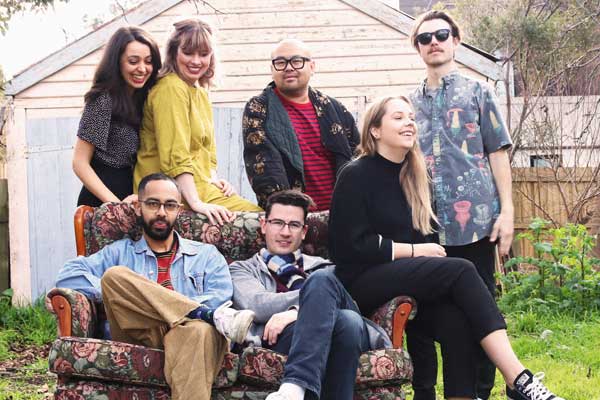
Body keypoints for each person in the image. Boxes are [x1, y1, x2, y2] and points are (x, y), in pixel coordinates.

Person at [329, 96, 564, 400]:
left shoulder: (416, 176)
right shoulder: (355, 175)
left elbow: (426, 237)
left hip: (405, 277)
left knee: (457, 319)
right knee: (462, 269)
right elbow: (348, 247)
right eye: (398, 117)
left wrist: (423, 257)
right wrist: (415, 252)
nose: (409, 122)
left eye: (411, 117)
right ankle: (518, 379)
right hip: (360, 283)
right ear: (374, 130)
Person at [55, 173, 255, 400]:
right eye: (153, 204)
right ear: (138, 207)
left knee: (200, 330)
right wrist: (114, 295)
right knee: (114, 277)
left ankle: (197, 317)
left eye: (169, 205)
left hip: (190, 333)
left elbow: (220, 295)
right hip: (140, 333)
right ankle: (201, 313)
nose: (161, 212)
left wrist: (175, 317)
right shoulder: (120, 252)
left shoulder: (206, 255)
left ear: (178, 210)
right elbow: (68, 275)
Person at [408, 10, 514, 399]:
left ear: (455, 41)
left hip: (477, 222)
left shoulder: (478, 92)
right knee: (421, 311)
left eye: (441, 35)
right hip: (425, 225)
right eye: (425, 38)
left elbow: (498, 152)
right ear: (418, 48)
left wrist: (507, 212)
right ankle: (424, 390)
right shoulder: (407, 103)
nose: (433, 42)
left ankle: (480, 391)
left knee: (480, 309)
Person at [230, 190, 389, 400]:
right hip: (279, 337)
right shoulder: (242, 269)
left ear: (304, 231)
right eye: (278, 223)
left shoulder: (327, 269)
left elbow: (348, 300)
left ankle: (294, 386)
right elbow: (257, 305)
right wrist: (313, 301)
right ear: (264, 225)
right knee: (346, 321)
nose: (285, 232)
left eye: (294, 225)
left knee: (325, 285)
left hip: (334, 325)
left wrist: (296, 312)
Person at [134, 19, 261, 225]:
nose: (196, 61)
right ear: (174, 52)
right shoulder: (170, 88)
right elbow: (176, 156)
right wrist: (196, 203)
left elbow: (206, 153)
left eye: (203, 54)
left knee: (269, 221)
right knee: (258, 222)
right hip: (166, 190)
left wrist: (214, 180)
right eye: (188, 52)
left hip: (199, 186)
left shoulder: (200, 93)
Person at [242, 39, 359, 211]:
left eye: (297, 61)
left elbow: (358, 157)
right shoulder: (259, 108)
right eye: (280, 62)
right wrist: (289, 212)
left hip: (341, 214)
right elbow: (264, 168)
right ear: (272, 69)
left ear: (312, 66)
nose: (289, 68)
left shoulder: (334, 109)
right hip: (292, 218)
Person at [73, 26, 161, 206]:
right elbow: (79, 163)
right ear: (117, 62)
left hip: (132, 192)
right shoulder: (103, 100)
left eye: (148, 61)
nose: (142, 69)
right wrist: (116, 206)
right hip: (103, 199)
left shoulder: (146, 99)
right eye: (133, 61)